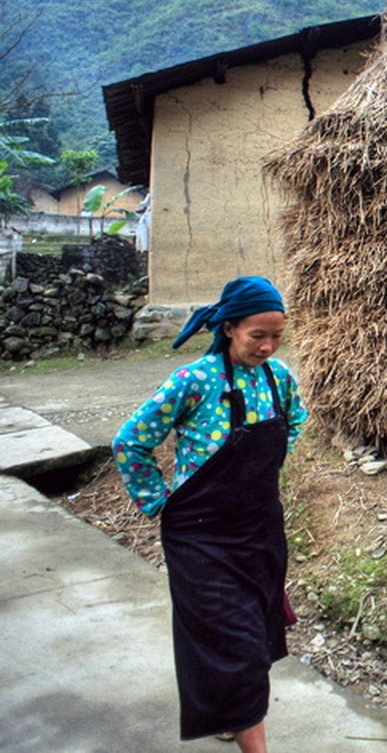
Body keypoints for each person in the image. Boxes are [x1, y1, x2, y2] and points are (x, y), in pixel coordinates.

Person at [112, 276, 307, 752]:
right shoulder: (193, 381)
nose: (267, 345)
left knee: (254, 633)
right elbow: (130, 441)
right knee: (234, 644)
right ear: (228, 329)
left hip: (258, 530)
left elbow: (296, 421)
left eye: (276, 335)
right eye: (256, 335)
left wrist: (263, 472)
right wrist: (160, 501)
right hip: (201, 537)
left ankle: (231, 714)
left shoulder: (277, 378)